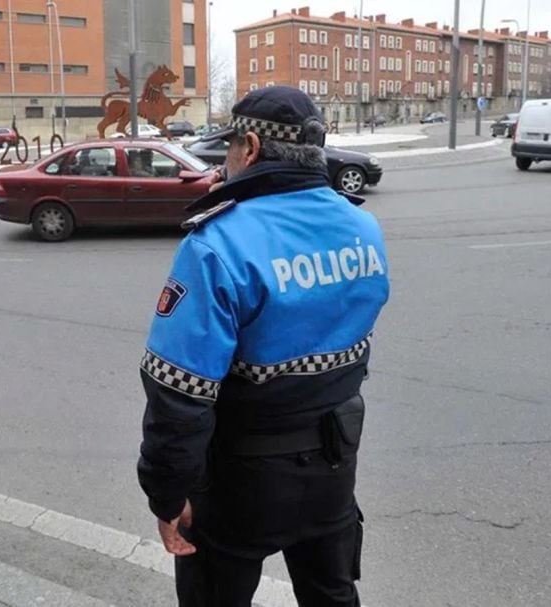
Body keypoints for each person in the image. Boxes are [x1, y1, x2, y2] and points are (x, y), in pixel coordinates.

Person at [137, 86, 390, 606]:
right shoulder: (363, 227)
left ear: (250, 148)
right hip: (336, 463)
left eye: (232, 146)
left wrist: (166, 492)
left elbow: (178, 392)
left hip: (241, 479)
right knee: (331, 595)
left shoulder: (217, 243)